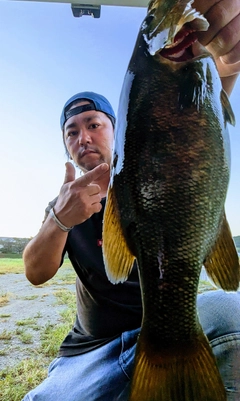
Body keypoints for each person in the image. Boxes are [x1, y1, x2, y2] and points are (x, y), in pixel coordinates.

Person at [22, 1, 240, 400]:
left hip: (165, 326)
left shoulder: (161, 119)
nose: (83, 136)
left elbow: (198, 109)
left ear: (119, 127)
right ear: (66, 145)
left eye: (93, 124)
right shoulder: (62, 203)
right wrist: (59, 220)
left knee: (234, 313)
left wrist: (224, 63)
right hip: (89, 355)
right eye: (71, 131)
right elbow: (35, 273)